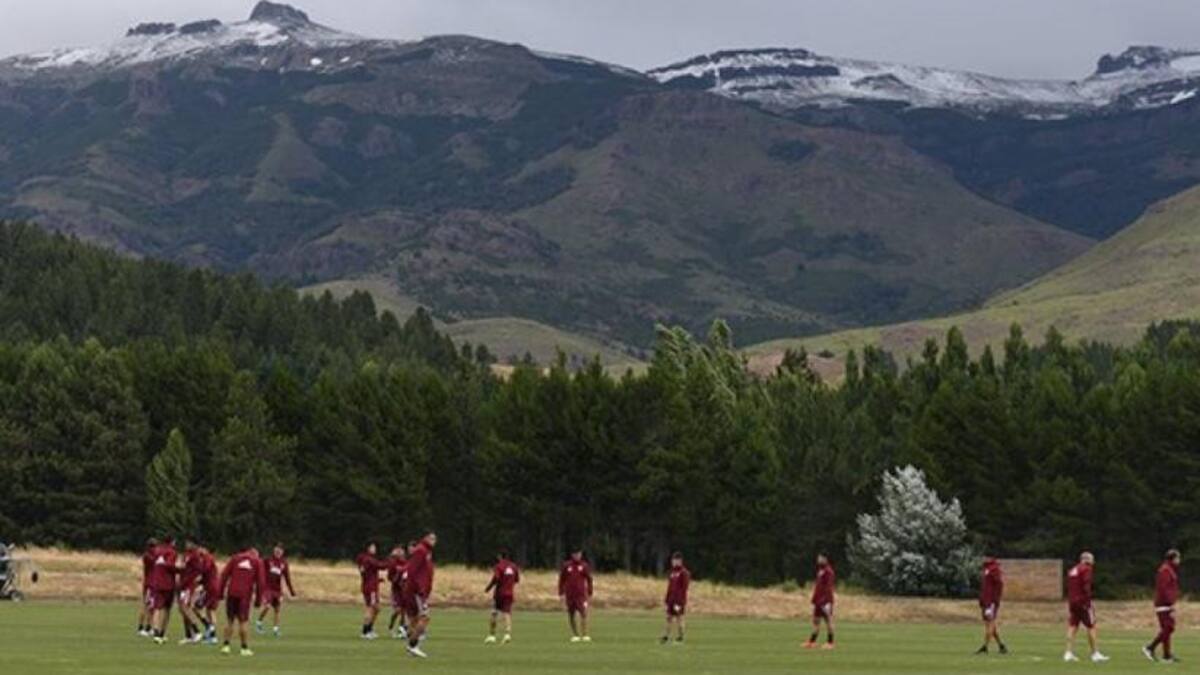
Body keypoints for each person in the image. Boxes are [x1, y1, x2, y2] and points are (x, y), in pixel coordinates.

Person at [219, 545, 265, 657]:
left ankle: (226, 646)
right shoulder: (257, 562)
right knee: (243, 621)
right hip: (244, 595)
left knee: (230, 620)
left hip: (232, 593)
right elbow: (261, 582)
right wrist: (258, 600)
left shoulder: (235, 558)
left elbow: (224, 575)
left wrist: (220, 592)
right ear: (255, 554)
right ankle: (244, 648)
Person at [1064, 551, 1109, 663]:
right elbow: (1086, 585)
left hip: (1072, 601)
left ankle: (1068, 652)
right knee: (1091, 626)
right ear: (1087, 560)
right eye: (1092, 559)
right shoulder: (1086, 569)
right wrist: (1088, 599)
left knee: (1073, 626)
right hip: (1083, 602)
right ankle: (1095, 653)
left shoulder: (1073, 570)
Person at [403, 532, 438, 658]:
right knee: (425, 617)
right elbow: (412, 571)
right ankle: (413, 645)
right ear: (425, 538)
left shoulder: (426, 551)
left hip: (417, 590)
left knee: (414, 619)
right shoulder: (421, 550)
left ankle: (411, 646)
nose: (434, 540)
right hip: (417, 591)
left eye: (435, 538)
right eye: (431, 538)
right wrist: (419, 588)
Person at [1143, 549, 1182, 663]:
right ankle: (1150, 647)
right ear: (1173, 558)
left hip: (1165, 603)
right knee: (1169, 628)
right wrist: (1170, 603)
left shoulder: (1169, 569)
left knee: (1166, 629)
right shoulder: (1165, 570)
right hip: (1164, 604)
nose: (1179, 560)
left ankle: (1166, 655)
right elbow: (1163, 589)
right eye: (1178, 558)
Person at [256, 544, 296, 638]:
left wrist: (291, 591)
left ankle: (276, 630)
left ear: (282, 552)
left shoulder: (284, 563)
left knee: (277, 609)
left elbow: (287, 578)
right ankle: (259, 622)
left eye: (280, 551)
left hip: (277, 590)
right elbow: (259, 568)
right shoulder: (268, 560)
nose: (278, 552)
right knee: (267, 606)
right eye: (276, 551)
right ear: (274, 551)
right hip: (267, 588)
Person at [484, 548, 521, 644]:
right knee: (507, 613)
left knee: (494, 613)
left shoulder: (499, 566)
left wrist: (488, 588)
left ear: (500, 556)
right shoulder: (514, 566)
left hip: (500, 593)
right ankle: (507, 634)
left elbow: (496, 578)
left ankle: (492, 635)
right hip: (510, 593)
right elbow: (517, 580)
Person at [147, 537, 179, 644]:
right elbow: (170, 566)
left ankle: (156, 632)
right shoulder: (172, 552)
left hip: (157, 583)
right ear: (172, 542)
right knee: (167, 609)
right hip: (168, 584)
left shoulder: (157, 551)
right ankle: (161, 633)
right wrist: (181, 570)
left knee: (157, 608)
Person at [558, 548, 594, 643]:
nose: (577, 556)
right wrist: (561, 593)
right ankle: (575, 635)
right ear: (572, 555)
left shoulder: (584, 566)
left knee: (583, 613)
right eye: (575, 554)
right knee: (571, 614)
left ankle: (585, 634)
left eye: (579, 554)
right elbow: (561, 580)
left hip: (581, 595)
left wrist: (590, 592)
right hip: (570, 595)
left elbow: (589, 579)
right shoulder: (567, 566)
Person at [976, 556, 1008, 655]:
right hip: (987, 602)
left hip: (990, 602)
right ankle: (1001, 646)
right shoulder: (987, 570)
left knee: (989, 624)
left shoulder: (993, 570)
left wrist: (993, 601)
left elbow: (998, 586)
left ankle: (985, 646)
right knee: (990, 624)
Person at [176, 538, 206, 645]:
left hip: (188, 585)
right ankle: (188, 635)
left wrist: (195, 581)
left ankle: (197, 631)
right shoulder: (186, 555)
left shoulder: (195, 555)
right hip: (182, 584)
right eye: (186, 543)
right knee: (182, 609)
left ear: (194, 544)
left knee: (185, 607)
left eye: (189, 543)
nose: (187, 545)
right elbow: (183, 568)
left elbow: (199, 570)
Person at [804, 553, 836, 650]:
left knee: (828, 621)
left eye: (821, 558)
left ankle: (830, 643)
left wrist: (825, 600)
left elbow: (829, 587)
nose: (818, 560)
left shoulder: (829, 571)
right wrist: (815, 599)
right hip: (818, 601)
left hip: (825, 601)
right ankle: (812, 642)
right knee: (816, 621)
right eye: (818, 558)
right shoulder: (821, 570)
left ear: (825, 559)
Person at [193, 545, 221, 644]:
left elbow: (205, 570)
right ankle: (211, 633)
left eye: (200, 548)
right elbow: (207, 575)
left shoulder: (208, 558)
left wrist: (196, 574)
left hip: (210, 588)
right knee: (209, 610)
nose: (198, 551)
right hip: (212, 587)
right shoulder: (207, 558)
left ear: (205, 549)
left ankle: (211, 631)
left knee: (198, 608)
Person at [661, 551, 690, 644]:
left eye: (675, 560)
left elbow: (684, 588)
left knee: (679, 618)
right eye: (672, 560)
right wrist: (667, 599)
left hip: (678, 601)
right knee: (668, 617)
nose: (673, 562)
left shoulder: (684, 572)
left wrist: (680, 601)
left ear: (679, 561)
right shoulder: (672, 572)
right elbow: (669, 587)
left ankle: (680, 637)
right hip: (671, 600)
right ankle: (666, 637)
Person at [386, 544, 410, 639]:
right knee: (397, 610)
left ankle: (402, 629)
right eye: (398, 550)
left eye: (401, 550)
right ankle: (391, 626)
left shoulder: (406, 562)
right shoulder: (393, 563)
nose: (400, 552)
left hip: (405, 590)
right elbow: (389, 577)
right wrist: (396, 579)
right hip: (396, 590)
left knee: (404, 611)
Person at [137, 537, 158, 637]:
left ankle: (148, 627)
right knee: (146, 606)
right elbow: (154, 562)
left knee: (152, 607)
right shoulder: (147, 556)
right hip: (149, 584)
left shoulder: (153, 555)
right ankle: (140, 628)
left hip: (154, 584)